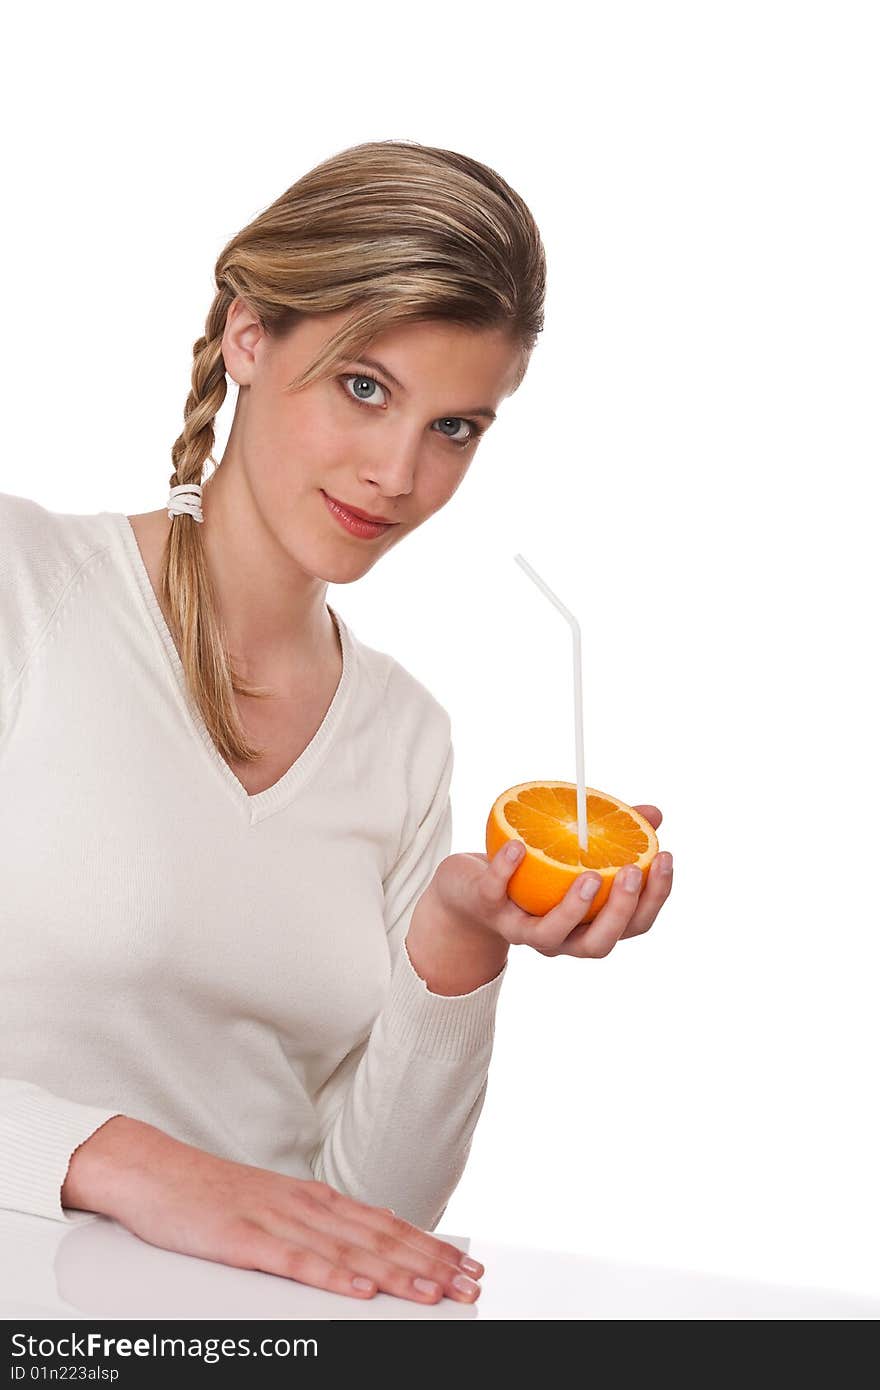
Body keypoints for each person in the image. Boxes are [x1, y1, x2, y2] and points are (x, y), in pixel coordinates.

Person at [0, 139, 672, 1307]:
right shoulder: (25, 590)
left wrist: (460, 941)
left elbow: (369, 1222)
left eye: (455, 427)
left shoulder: (405, 739)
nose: (399, 475)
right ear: (246, 335)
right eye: (367, 388)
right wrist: (124, 1162)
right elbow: (194, 1191)